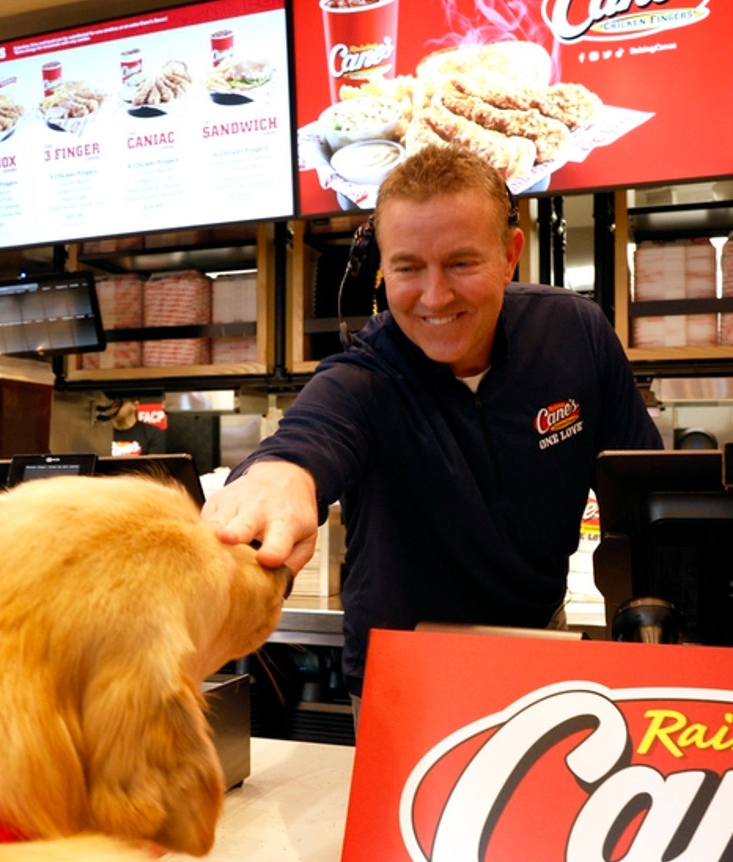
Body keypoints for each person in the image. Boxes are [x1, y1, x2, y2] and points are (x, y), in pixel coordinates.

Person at [202, 143, 662, 707]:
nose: (435, 297)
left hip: (537, 646)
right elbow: (308, 440)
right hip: (403, 674)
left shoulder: (575, 334)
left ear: (509, 254)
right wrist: (278, 479)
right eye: (408, 268)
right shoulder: (365, 375)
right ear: (383, 267)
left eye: (461, 263)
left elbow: (644, 499)